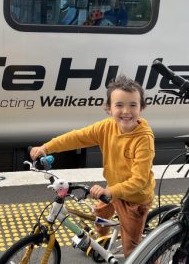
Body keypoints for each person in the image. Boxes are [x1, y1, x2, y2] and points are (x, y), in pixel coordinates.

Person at [29, 75, 154, 258]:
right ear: (109, 108)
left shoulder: (143, 138)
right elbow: (77, 137)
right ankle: (103, 247)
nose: (126, 111)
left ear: (141, 107)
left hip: (134, 199)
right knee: (99, 215)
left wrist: (110, 192)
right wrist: (47, 147)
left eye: (133, 105)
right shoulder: (106, 127)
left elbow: (139, 180)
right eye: (119, 105)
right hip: (113, 190)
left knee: (134, 252)